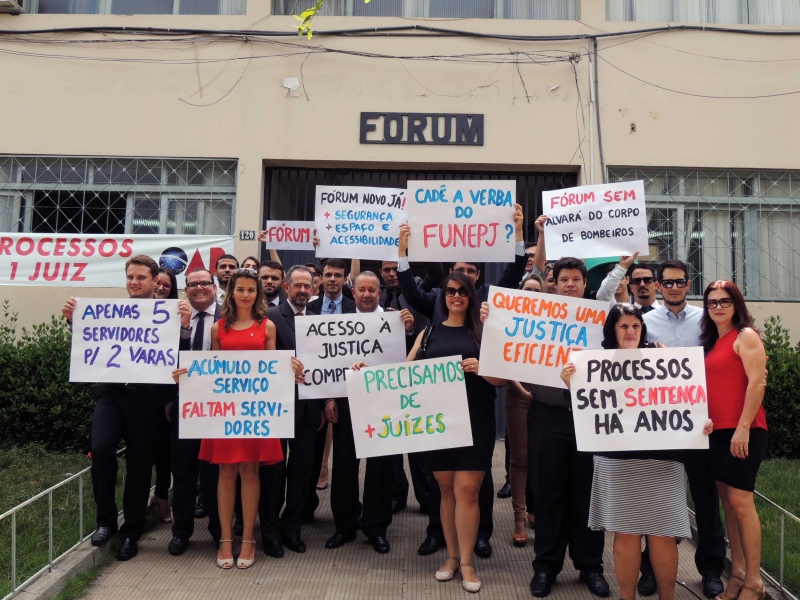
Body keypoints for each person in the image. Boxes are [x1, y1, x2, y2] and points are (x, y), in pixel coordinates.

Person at [397, 204, 527, 559]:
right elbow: (409, 290)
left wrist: (517, 234)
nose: (459, 290)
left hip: (476, 405)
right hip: (439, 410)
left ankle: (480, 535)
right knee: (443, 483)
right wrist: (403, 252)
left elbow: (515, 275)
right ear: (448, 277)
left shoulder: (488, 303)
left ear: (477, 281)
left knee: (475, 481)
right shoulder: (437, 300)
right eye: (457, 274)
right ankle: (438, 533)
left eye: (469, 275)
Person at [560, 304, 714, 600]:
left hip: (663, 460)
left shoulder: (662, 358)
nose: (630, 332)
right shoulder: (594, 365)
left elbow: (687, 401)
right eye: (623, 326)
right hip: (618, 462)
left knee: (664, 533)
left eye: (635, 326)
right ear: (612, 330)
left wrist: (700, 422)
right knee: (625, 533)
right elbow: (586, 414)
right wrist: (572, 385)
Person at [172, 268, 304, 569]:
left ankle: (248, 540)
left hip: (255, 415)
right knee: (226, 474)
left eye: (251, 290)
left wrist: (292, 368)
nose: (246, 295)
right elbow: (213, 373)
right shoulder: (219, 328)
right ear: (230, 292)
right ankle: (225, 540)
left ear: (258, 294)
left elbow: (273, 371)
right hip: (226, 415)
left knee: (251, 472)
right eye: (240, 289)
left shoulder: (267, 326)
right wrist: (188, 376)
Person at [61, 255, 187, 561]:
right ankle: (105, 522)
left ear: (155, 281)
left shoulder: (169, 314)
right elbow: (91, 340)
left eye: (141, 277)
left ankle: (131, 531)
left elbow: (181, 356)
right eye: (130, 276)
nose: (134, 282)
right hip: (112, 395)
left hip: (148, 400)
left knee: (140, 466)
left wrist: (183, 328)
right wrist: (72, 320)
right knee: (102, 449)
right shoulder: (110, 312)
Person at [525, 215, 609, 598]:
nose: (570, 284)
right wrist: (541, 235)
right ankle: (546, 565)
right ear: (553, 285)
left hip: (590, 416)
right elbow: (535, 270)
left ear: (584, 284)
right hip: (547, 414)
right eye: (564, 280)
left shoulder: (601, 319)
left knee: (587, 491)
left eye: (576, 279)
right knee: (548, 490)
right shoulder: (537, 314)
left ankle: (590, 565)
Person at [408, 272, 505, 593]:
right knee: (446, 490)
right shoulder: (429, 332)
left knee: (468, 491)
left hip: (476, 420)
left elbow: (503, 379)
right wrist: (364, 373)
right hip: (439, 423)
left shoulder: (483, 331)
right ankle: (450, 557)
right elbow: (405, 373)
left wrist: (482, 367)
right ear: (443, 297)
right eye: (450, 291)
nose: (455, 296)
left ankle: (467, 562)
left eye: (462, 291)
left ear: (470, 295)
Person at [643, 260, 727, 599]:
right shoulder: (645, 323)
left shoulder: (706, 319)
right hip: (658, 426)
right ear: (658, 286)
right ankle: (650, 569)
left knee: (705, 498)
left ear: (688, 284)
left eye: (680, 282)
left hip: (698, 424)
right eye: (668, 283)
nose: (674, 288)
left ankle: (711, 570)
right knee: (657, 499)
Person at [328, 271, 416, 554]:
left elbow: (408, 358)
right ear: (353, 292)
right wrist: (328, 398)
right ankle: (344, 525)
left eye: (372, 290)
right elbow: (325, 365)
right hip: (346, 402)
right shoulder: (337, 322)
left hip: (383, 404)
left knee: (381, 468)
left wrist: (409, 330)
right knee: (344, 466)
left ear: (379, 292)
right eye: (362, 290)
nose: (367, 295)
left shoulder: (395, 320)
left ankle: (376, 528)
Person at [701, 281, 768, 600]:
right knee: (729, 504)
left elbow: (757, 383)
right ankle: (738, 574)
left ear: (736, 304)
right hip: (718, 434)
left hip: (745, 431)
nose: (718, 307)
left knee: (742, 504)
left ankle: (755, 581)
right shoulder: (714, 342)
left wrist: (743, 428)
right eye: (712, 302)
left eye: (724, 301)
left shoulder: (746, 336)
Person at [260, 265, 324, 558]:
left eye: (307, 286)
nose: (302, 290)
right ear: (286, 287)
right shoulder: (271, 317)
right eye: (297, 285)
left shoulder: (319, 320)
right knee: (273, 473)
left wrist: (326, 402)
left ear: (313, 289)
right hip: (276, 408)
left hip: (309, 410)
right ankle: (270, 532)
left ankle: (293, 530)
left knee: (301, 473)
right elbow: (261, 360)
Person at [167, 268, 222, 556]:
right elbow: (161, 357)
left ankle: (218, 531)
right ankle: (181, 532)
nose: (198, 288)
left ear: (214, 286)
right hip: (185, 405)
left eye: (204, 283)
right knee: (184, 472)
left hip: (219, 408)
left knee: (215, 474)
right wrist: (185, 326)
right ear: (185, 289)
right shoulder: (172, 317)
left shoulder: (230, 316)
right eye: (192, 284)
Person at [380, 259, 434, 515]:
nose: (392, 274)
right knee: (390, 442)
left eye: (395, 269)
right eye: (387, 270)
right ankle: (395, 494)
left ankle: (426, 497)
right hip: (384, 380)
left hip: (416, 377)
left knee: (418, 442)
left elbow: (436, 271)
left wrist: (410, 330)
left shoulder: (421, 291)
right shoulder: (376, 296)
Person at [503, 274, 544, 548]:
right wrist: (522, 388)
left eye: (537, 290)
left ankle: (538, 511)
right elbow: (503, 356)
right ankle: (519, 518)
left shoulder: (555, 321)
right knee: (520, 458)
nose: (531, 293)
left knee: (543, 458)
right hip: (518, 394)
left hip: (546, 397)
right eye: (527, 289)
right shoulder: (509, 320)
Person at [145, 266, 178, 524]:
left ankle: (162, 497)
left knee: (166, 451)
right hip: (138, 394)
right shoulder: (131, 310)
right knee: (148, 450)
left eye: (166, 286)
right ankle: (154, 497)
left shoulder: (178, 314)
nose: (160, 288)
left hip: (166, 394)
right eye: (157, 283)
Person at [596, 253, 660, 314]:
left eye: (647, 280)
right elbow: (602, 297)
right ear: (631, 287)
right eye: (637, 281)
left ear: (656, 285)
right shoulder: (622, 313)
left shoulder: (667, 313)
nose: (642, 284)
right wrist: (622, 267)